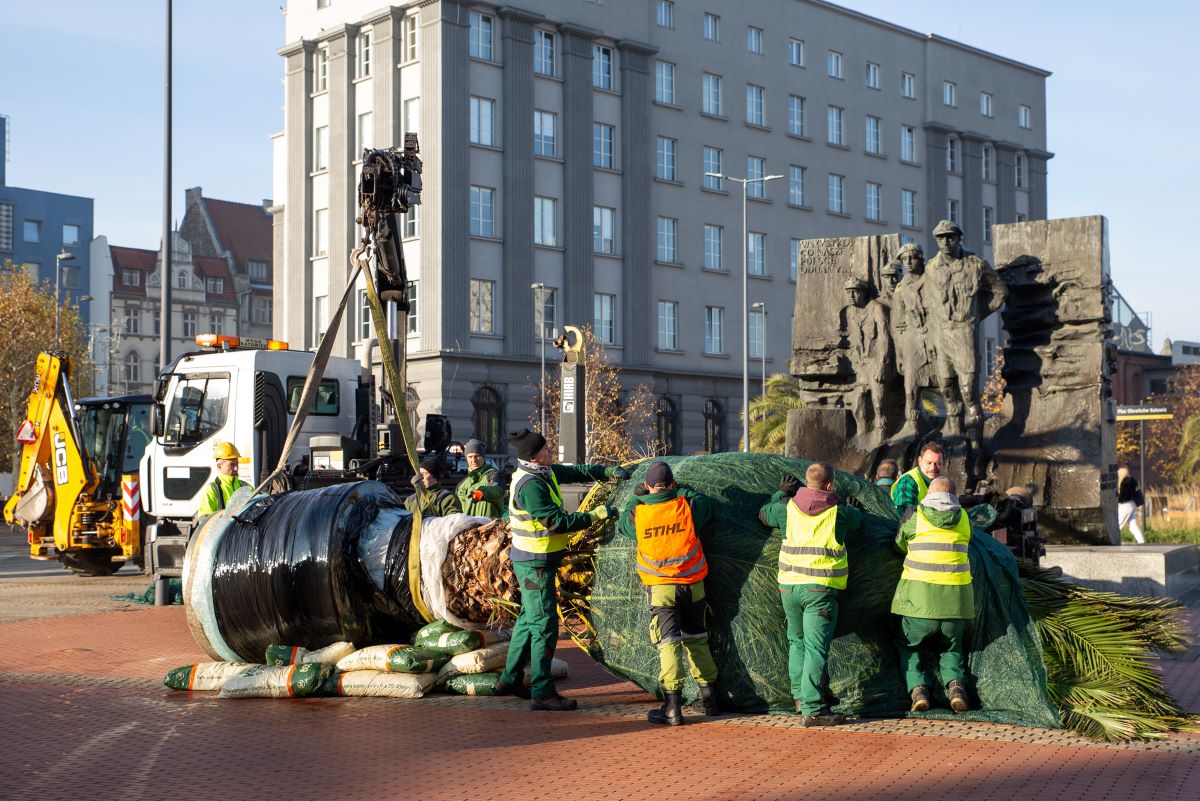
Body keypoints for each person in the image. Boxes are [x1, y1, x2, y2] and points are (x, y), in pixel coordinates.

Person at [493, 428, 629, 711]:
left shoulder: (543, 472)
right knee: (544, 626)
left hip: (535, 561)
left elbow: (573, 472)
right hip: (535, 564)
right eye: (546, 449)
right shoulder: (531, 485)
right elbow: (556, 522)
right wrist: (594, 515)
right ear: (534, 456)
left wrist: (604, 472)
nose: (550, 451)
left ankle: (509, 679)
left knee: (528, 620)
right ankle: (542, 692)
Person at [759, 462, 864, 726]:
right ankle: (814, 709)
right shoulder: (839, 513)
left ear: (807, 482)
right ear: (829, 485)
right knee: (815, 648)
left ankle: (800, 698)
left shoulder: (786, 508)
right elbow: (858, 520)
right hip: (819, 589)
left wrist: (781, 493)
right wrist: (854, 508)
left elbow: (763, 513)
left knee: (797, 642)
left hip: (788, 587)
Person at [619, 461, 721, 726]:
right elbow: (704, 505)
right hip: (693, 586)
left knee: (669, 643)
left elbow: (624, 523)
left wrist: (637, 498)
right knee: (697, 639)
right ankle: (710, 701)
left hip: (661, 589)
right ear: (673, 484)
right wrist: (681, 491)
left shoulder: (639, 514)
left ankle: (672, 708)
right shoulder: (687, 507)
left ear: (647, 486)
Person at [891, 476, 973, 714]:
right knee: (952, 648)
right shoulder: (964, 518)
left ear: (929, 494)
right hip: (957, 604)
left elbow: (898, 544)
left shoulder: (916, 517)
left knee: (908, 645)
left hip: (919, 603)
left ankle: (919, 691)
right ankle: (956, 689)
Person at [923, 220, 1008, 433]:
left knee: (969, 391)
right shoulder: (931, 268)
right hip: (942, 335)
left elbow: (1000, 291)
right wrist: (931, 340)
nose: (945, 242)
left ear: (959, 238)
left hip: (964, 334)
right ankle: (955, 436)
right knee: (947, 389)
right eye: (940, 238)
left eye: (950, 237)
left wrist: (977, 314)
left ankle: (975, 440)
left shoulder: (975, 264)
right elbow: (931, 306)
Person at [891, 243, 936, 430]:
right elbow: (897, 324)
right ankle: (912, 423)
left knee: (948, 381)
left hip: (934, 337)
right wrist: (900, 354)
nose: (908, 262)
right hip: (912, 340)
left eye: (912, 257)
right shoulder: (901, 288)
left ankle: (955, 421)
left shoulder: (932, 279)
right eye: (904, 259)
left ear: (920, 258)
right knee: (911, 386)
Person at [842, 277, 892, 432]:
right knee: (858, 404)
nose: (851, 296)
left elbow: (884, 337)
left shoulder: (876, 308)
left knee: (878, 403)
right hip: (860, 364)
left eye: (855, 292)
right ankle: (862, 432)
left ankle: (881, 434)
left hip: (876, 362)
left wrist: (882, 364)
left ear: (863, 293)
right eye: (848, 292)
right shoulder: (849, 312)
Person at [891, 441, 945, 517]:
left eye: (938, 463)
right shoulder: (908, 481)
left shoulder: (941, 483)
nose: (933, 468)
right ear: (920, 461)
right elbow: (906, 514)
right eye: (929, 463)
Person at [196, 441, 250, 518]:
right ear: (219, 467)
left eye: (237, 464)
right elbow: (204, 519)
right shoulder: (212, 489)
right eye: (232, 465)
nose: (236, 468)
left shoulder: (246, 487)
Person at [455, 438, 504, 518]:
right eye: (470, 457)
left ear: (483, 457)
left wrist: (482, 492)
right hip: (468, 525)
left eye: (477, 456)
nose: (473, 460)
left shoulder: (493, 475)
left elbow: (496, 490)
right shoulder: (461, 484)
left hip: (488, 524)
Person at [1116, 466, 1146, 544]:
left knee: (1118, 524)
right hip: (1132, 504)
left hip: (1124, 505)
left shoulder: (1124, 482)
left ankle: (1114, 541)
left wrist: (1117, 493)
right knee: (1132, 524)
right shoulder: (1132, 480)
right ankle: (1141, 541)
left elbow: (1122, 495)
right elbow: (1136, 492)